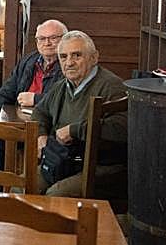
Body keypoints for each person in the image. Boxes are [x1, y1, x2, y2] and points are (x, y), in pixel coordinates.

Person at [32, 30, 127, 198]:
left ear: (94, 58)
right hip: (63, 162)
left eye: (76, 55)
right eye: (63, 57)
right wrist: (41, 136)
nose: (69, 62)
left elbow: (122, 128)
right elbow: (40, 112)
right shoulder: (62, 86)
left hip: (100, 167)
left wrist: (74, 130)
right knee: (21, 186)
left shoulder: (112, 86)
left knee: (55, 196)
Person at [0, 19, 67, 191]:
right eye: (42, 39)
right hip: (19, 126)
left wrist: (36, 99)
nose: (47, 43)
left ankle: (20, 200)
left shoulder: (68, 65)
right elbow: (5, 93)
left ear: (65, 39)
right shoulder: (29, 61)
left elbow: (66, 99)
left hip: (49, 129)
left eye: (53, 38)